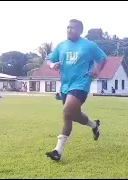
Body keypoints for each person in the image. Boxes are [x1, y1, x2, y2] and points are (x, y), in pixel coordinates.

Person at [45, 19, 107, 161]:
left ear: (80, 30)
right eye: (67, 27)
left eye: (72, 28)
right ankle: (94, 124)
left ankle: (57, 151)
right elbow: (49, 59)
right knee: (73, 115)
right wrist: (52, 65)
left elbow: (103, 57)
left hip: (81, 84)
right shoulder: (61, 46)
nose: (69, 30)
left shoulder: (89, 45)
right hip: (66, 86)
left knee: (67, 113)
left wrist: (97, 71)